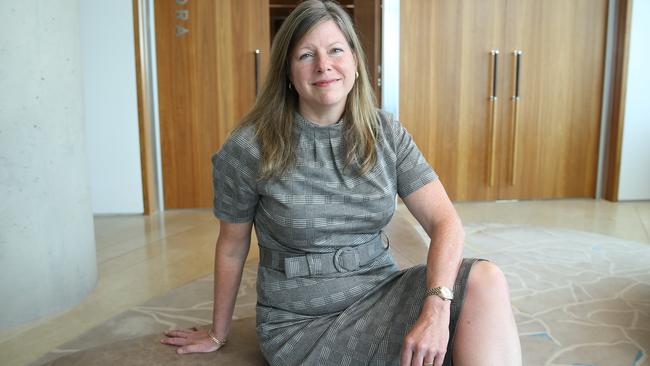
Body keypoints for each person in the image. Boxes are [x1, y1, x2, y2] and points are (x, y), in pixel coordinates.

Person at [161, 1, 522, 365]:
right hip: (303, 322)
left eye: (336, 50)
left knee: (485, 281)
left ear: (355, 61)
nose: (324, 65)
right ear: (287, 71)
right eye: (306, 55)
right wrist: (216, 332)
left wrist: (436, 309)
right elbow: (232, 246)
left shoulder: (387, 133)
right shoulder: (249, 147)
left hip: (380, 289)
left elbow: (445, 222)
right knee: (467, 338)